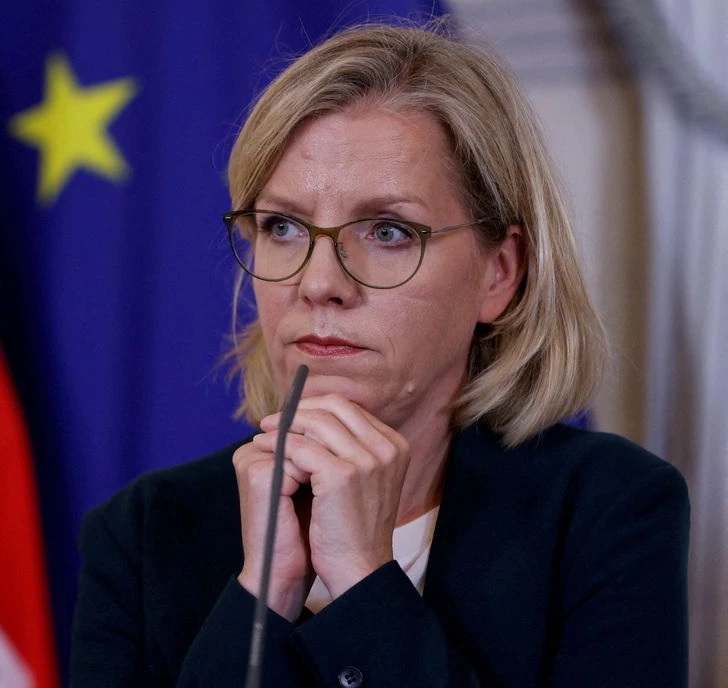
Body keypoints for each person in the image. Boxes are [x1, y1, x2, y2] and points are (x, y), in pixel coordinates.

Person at [70, 24, 689, 687]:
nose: (319, 283)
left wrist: (365, 583)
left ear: (499, 273)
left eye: (388, 231)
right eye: (283, 226)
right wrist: (262, 598)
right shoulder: (141, 535)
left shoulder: (607, 511)